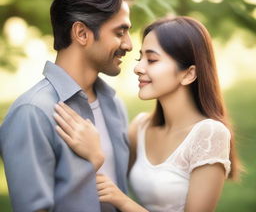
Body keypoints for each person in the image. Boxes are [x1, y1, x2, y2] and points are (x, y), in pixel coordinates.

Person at [53, 16, 242, 212]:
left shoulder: (209, 134)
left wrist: (124, 202)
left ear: (188, 74)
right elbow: (110, 180)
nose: (138, 68)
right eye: (139, 58)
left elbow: (115, 193)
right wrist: (94, 157)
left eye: (151, 60)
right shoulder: (141, 127)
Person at [0, 0, 136, 212]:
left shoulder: (114, 105)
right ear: (81, 33)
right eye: (120, 32)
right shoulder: (32, 113)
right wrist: (91, 163)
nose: (129, 44)